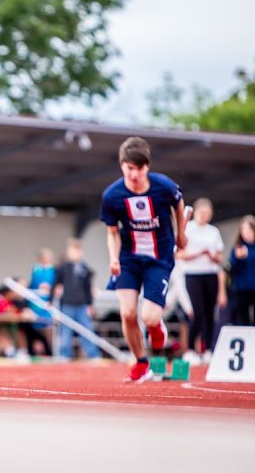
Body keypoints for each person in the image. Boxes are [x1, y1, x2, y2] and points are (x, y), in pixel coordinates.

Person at [101, 136, 188, 382]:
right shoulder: (112, 196)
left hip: (159, 258)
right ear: (122, 166)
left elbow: (179, 203)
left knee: (149, 317)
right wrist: (113, 258)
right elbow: (112, 233)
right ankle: (141, 362)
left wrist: (181, 233)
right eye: (129, 168)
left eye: (139, 168)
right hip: (128, 258)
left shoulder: (164, 186)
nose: (134, 174)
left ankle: (157, 330)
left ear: (147, 167)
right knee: (127, 313)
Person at [176, 198, 226, 365]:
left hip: (210, 274)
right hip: (192, 274)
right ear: (196, 212)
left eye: (208, 214)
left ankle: (207, 349)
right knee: (197, 312)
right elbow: (179, 254)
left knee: (210, 313)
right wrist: (198, 254)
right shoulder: (188, 229)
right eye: (203, 213)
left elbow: (220, 257)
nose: (205, 216)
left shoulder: (213, 232)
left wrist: (212, 256)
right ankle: (190, 348)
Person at [53, 239, 100, 360]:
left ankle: (93, 354)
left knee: (87, 330)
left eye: (77, 251)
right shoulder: (63, 268)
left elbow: (88, 288)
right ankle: (64, 354)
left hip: (82, 304)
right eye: (72, 251)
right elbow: (55, 283)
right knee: (65, 331)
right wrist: (50, 299)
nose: (75, 254)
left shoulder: (85, 268)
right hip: (67, 304)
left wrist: (90, 304)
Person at [28, 247, 55, 356]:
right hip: (36, 303)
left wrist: (50, 288)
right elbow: (32, 284)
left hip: (48, 303)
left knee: (49, 328)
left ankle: (50, 351)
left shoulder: (54, 270)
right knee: (36, 328)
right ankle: (36, 352)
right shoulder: (36, 269)